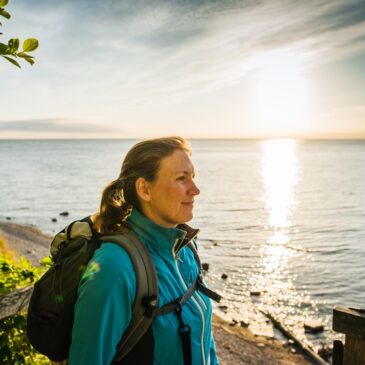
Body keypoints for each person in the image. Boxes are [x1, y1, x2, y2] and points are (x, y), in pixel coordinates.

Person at [68, 136, 219, 365]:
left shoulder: (186, 248)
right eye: (181, 179)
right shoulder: (114, 268)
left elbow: (205, 341)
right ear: (144, 189)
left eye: (193, 178)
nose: (195, 190)